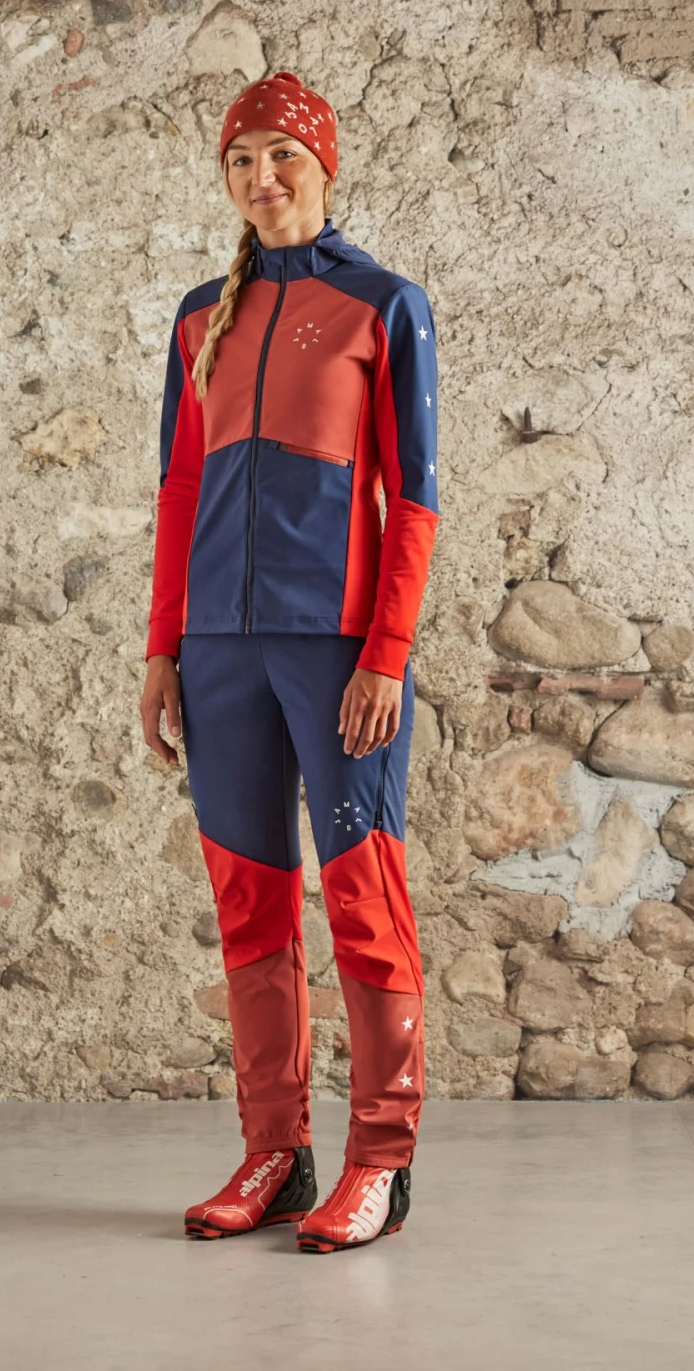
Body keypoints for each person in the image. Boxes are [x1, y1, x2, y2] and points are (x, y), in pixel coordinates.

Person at [138, 70, 440, 1254]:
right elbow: (179, 491)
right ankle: (276, 1150)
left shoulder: (383, 305)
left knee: (364, 899)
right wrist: (162, 650)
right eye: (240, 158)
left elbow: (415, 500)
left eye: (282, 156)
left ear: (324, 166)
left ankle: (380, 1162)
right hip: (218, 654)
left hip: (338, 653)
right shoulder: (197, 318)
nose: (261, 177)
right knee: (248, 906)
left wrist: (387, 655)